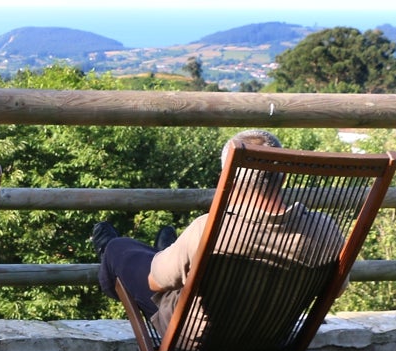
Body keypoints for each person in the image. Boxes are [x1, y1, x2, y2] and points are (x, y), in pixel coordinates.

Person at [93, 129, 343, 336]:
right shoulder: (325, 228)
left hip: (198, 337)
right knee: (174, 263)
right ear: (283, 177)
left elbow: (155, 282)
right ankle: (173, 255)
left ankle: (120, 252)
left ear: (229, 178)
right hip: (274, 336)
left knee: (120, 250)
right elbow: (336, 289)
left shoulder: (211, 229)